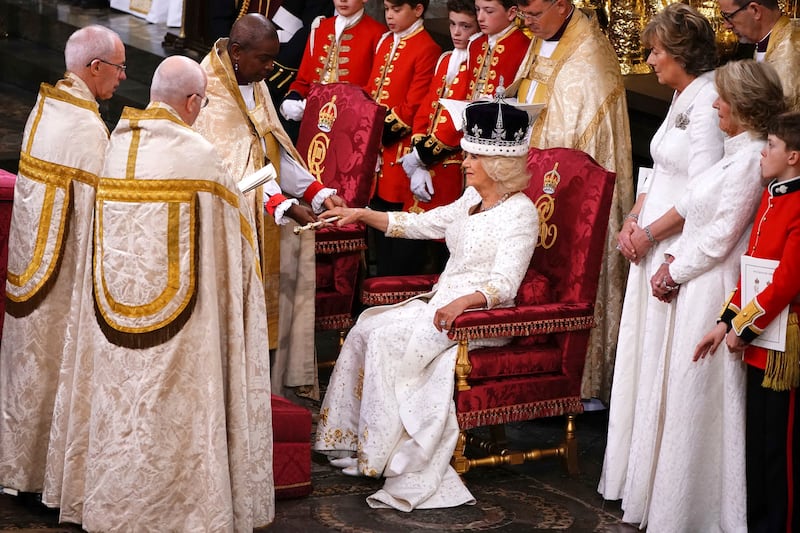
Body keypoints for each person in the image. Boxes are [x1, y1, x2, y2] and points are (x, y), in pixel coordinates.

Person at [57, 55, 273, 531]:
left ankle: (110, 502)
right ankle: (183, 510)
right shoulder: (198, 157)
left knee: (121, 407)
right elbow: (232, 243)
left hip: (113, 318)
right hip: (185, 328)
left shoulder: (115, 146)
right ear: (193, 101)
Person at [314, 99, 538, 511]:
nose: (463, 162)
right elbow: (419, 224)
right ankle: (350, 440)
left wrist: (462, 305)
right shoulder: (470, 201)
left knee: (387, 338)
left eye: (472, 156)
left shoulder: (521, 215)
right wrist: (363, 214)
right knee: (367, 326)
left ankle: (385, 455)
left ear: (497, 163)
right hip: (443, 307)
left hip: (481, 318)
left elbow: (505, 285)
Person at [612, 59, 786, 531]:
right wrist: (668, 259)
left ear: (743, 106)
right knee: (679, 389)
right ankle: (670, 502)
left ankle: (699, 511)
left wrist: (674, 269)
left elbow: (722, 234)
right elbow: (691, 207)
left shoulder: (751, 159)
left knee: (698, 395)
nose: (714, 104)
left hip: (713, 283)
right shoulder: (737, 150)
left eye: (723, 99)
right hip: (692, 276)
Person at [598, 0, 724, 511]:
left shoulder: (710, 99)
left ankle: (667, 494)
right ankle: (636, 479)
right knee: (643, 357)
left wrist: (652, 234)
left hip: (679, 243)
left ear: (678, 53)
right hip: (651, 236)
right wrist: (633, 218)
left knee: (665, 363)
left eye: (655, 52)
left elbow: (703, 191)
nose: (649, 61)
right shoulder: (681, 95)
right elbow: (657, 171)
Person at [0, 25, 126, 495]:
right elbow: (106, 207)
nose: (120, 78)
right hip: (62, 278)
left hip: (30, 264)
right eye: (118, 69)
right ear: (94, 68)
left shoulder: (46, 106)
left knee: (26, 366)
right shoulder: (84, 126)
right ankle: (42, 475)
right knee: (53, 366)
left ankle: (15, 468)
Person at [194, 13, 345, 401]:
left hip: (268, 216)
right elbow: (227, 172)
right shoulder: (207, 87)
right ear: (238, 51)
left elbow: (270, 149)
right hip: (229, 224)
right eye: (264, 59)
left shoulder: (252, 79)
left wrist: (314, 191)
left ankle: (271, 386)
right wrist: (283, 205)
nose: (269, 69)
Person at [509, 0, 633, 401]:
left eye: (533, 14)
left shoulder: (590, 58)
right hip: (529, 178)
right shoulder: (541, 36)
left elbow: (583, 145)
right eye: (522, 15)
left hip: (565, 190)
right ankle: (524, 371)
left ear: (562, 6)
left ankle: (582, 381)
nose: (526, 23)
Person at [695, 110, 800, 533]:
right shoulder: (773, 195)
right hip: (758, 341)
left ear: (794, 156)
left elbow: (785, 283)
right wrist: (725, 324)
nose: (763, 152)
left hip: (782, 344)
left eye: (771, 146)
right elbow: (752, 269)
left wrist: (744, 327)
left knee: (780, 451)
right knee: (757, 444)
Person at [397, 0, 479, 271]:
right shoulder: (445, 59)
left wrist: (422, 157)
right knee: (413, 242)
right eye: (453, 24)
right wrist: (417, 152)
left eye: (465, 26)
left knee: (443, 242)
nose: (457, 32)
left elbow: (458, 121)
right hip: (426, 159)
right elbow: (426, 108)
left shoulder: (476, 63)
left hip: (450, 164)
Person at [365, 0, 441, 276]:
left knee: (402, 237)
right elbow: (372, 88)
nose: (389, 16)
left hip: (399, 151)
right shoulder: (385, 42)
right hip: (377, 154)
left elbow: (414, 105)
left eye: (397, 10)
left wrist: (373, 133)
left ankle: (396, 294)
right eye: (386, 9)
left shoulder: (427, 47)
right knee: (378, 229)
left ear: (418, 10)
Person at [279, 0, 386, 125]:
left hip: (351, 125)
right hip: (312, 122)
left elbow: (375, 89)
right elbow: (303, 81)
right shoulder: (320, 27)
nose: (343, 0)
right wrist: (292, 98)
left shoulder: (378, 34)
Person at [717, 0, 799, 110]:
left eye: (728, 16)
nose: (726, 25)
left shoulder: (791, 50)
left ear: (755, 10)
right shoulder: (759, 42)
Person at [466, 0, 530, 99]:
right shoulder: (475, 44)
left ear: (511, 13)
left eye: (489, 11)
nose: (479, 18)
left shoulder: (524, 46)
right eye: (478, 9)